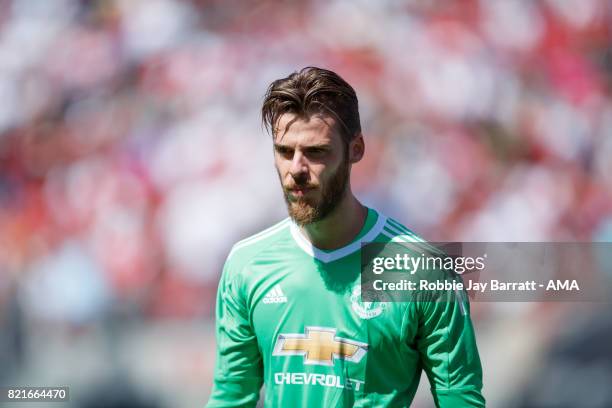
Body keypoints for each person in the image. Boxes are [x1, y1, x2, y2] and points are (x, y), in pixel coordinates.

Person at [206, 67, 485, 407]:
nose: (296, 169)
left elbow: (460, 398)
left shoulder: (421, 269)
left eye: (316, 152)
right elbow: (231, 398)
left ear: (356, 149)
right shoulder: (247, 265)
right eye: (284, 151)